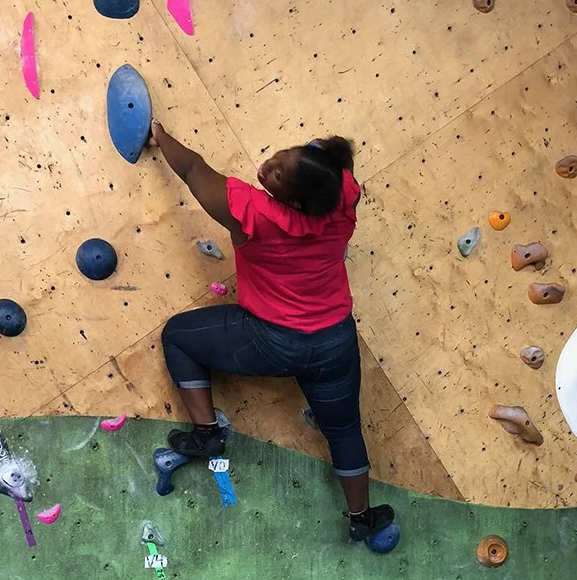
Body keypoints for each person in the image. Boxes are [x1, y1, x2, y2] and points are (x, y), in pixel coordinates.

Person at [151, 120, 394, 543]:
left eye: (279, 175)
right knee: (344, 430)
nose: (268, 166)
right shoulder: (341, 198)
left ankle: (207, 435)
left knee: (177, 336)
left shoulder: (254, 212)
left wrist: (161, 135)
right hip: (335, 342)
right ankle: (362, 517)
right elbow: (337, 159)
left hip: (273, 341)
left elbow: (192, 170)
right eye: (281, 156)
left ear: (296, 201)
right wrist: (315, 153)